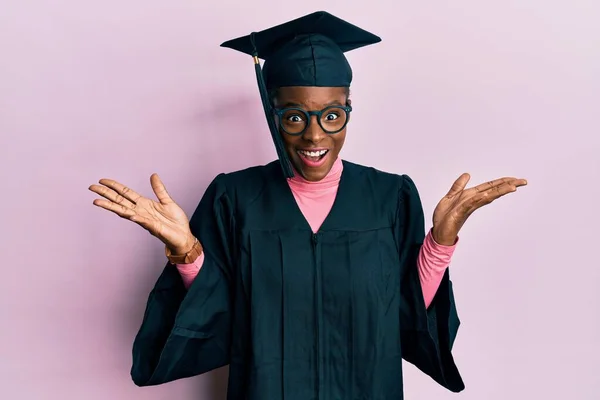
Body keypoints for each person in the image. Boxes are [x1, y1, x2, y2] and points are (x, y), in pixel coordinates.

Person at [89, 11, 527, 399]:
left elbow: (406, 316)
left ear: (348, 110)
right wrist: (187, 250)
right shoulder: (234, 197)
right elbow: (217, 314)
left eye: (331, 115)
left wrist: (440, 244)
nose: (314, 137)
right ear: (273, 113)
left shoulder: (391, 196)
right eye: (295, 116)